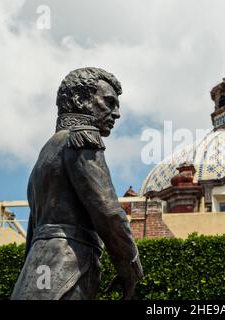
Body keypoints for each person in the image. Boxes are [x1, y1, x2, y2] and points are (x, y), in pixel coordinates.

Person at [11, 67, 143, 300]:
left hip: (35, 273)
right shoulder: (82, 137)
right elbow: (108, 211)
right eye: (109, 102)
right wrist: (129, 265)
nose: (117, 114)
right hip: (69, 267)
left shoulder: (46, 152)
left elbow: (32, 234)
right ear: (80, 99)